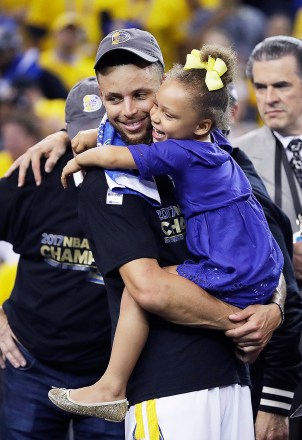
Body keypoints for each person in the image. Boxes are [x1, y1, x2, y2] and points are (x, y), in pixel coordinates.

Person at [6, 29, 288, 440]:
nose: (133, 112)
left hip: (231, 382)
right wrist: (243, 323)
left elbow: (274, 257)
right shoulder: (106, 183)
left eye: (144, 96)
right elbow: (151, 289)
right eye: (113, 99)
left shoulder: (219, 152)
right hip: (168, 385)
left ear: (170, 89)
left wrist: (273, 311)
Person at [0, 77, 125, 440]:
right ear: (67, 133)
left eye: (101, 135)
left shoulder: (145, 181)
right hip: (31, 364)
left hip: (111, 374)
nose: (88, 148)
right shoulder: (34, 176)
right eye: (79, 138)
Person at [232, 35, 302, 440]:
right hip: (272, 349)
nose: (269, 98)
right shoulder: (234, 159)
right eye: (261, 87)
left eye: (282, 85)